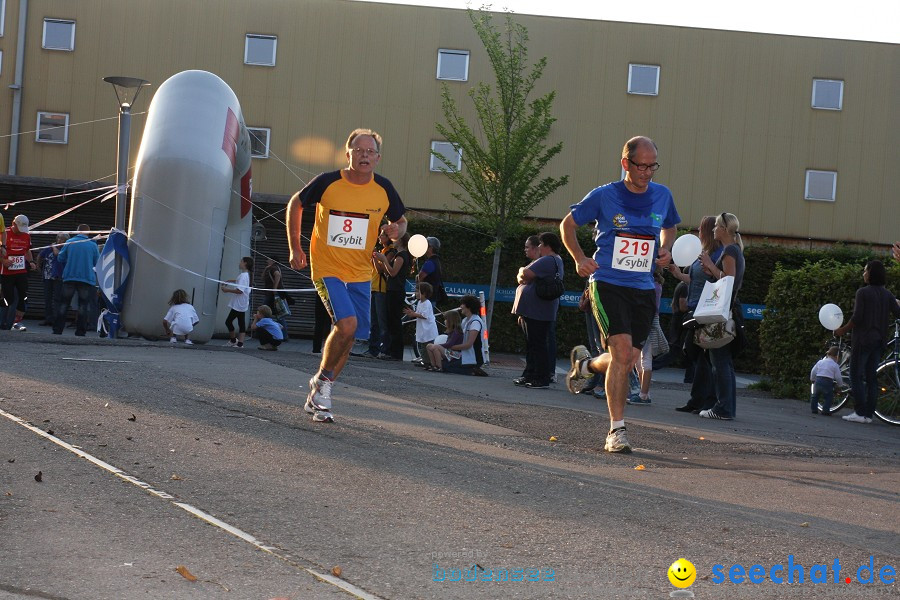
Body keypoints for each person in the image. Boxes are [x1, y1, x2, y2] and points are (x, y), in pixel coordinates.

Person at [561, 136, 680, 453]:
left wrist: (666, 248)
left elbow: (669, 227)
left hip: (643, 287)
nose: (648, 172)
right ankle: (617, 431)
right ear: (626, 163)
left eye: (653, 166)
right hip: (608, 283)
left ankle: (586, 366)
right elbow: (567, 225)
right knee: (623, 351)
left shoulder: (662, 195)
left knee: (624, 360)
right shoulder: (604, 195)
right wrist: (579, 259)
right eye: (642, 166)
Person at [287, 128, 407, 423]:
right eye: (359, 150)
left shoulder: (384, 189)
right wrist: (295, 247)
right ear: (348, 153)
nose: (364, 155)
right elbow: (295, 203)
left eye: (370, 151)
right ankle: (323, 383)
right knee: (347, 323)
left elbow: (401, 221)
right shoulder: (329, 182)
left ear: (377, 158)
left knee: (350, 335)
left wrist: (396, 231)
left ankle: (320, 388)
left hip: (360, 272)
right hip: (327, 267)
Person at [834, 260, 900, 423]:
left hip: (863, 339)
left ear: (871, 274)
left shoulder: (862, 293)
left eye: (865, 271)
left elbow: (857, 318)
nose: (863, 273)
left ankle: (859, 412)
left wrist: (842, 330)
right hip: (879, 341)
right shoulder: (887, 294)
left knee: (855, 375)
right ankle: (868, 415)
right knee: (871, 377)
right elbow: (898, 313)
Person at [696, 212, 746, 421]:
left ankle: (723, 408)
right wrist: (711, 269)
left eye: (716, 226)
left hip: (722, 313)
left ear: (725, 230)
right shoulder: (734, 250)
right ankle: (726, 407)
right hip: (728, 310)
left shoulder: (730, 251)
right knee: (724, 362)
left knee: (720, 362)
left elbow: (729, 281)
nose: (714, 229)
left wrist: (710, 265)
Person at [672, 216, 724, 408]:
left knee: (700, 355)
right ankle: (699, 399)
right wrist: (678, 275)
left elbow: (720, 280)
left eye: (701, 229)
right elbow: (696, 281)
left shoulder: (717, 254)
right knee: (697, 355)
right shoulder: (704, 253)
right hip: (695, 308)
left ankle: (704, 399)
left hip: (706, 310)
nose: (698, 233)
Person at [512, 232, 564, 389]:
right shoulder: (550, 260)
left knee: (537, 344)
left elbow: (524, 274)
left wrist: (522, 269)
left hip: (538, 311)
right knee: (533, 344)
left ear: (547, 246)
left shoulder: (548, 260)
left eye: (540, 244)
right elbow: (523, 277)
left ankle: (541, 377)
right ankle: (530, 374)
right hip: (535, 310)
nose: (538, 247)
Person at [53, 224, 99, 336]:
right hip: (86, 278)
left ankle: (58, 330)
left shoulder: (70, 242)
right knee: (83, 306)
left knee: (64, 304)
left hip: (70, 277)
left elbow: (60, 258)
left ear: (77, 231)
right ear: (88, 232)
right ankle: (80, 331)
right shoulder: (93, 245)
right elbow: (97, 262)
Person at [629, 267, 666, 405]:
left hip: (647, 321)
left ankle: (644, 394)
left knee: (645, 360)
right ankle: (644, 392)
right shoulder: (654, 284)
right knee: (640, 360)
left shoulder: (653, 285)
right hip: (644, 320)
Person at [376, 232, 411, 361]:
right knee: (392, 321)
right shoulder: (399, 255)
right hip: (393, 289)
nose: (393, 240)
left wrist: (384, 260)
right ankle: (393, 351)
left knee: (395, 322)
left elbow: (393, 272)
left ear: (400, 241)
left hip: (396, 290)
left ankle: (396, 352)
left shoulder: (401, 256)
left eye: (395, 239)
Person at [1, 215, 36, 330]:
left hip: (21, 271)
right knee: (7, 298)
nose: (21, 232)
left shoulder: (26, 235)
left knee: (23, 295)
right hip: (5, 272)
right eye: (19, 228)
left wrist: (31, 261)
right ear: (13, 224)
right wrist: (3, 261)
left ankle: (15, 322)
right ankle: (3, 322)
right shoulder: (4, 233)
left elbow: (27, 250)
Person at [443, 294, 487, 376]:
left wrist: (450, 347)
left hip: (474, 357)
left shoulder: (475, 322)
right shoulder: (465, 320)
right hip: (464, 354)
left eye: (462, 304)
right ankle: (471, 369)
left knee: (446, 366)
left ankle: (472, 370)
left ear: (469, 306)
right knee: (443, 363)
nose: (460, 306)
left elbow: (468, 344)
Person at [367, 229, 392, 358]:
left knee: (381, 322)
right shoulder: (381, 251)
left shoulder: (390, 251)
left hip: (382, 289)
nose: (380, 236)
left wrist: (375, 257)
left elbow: (381, 269)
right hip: (374, 287)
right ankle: (373, 349)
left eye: (382, 234)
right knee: (374, 322)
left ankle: (385, 349)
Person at [403, 281, 438, 368]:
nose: (416, 293)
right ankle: (425, 361)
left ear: (424, 293)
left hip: (428, 329)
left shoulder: (427, 303)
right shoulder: (419, 302)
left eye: (418, 291)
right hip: (422, 328)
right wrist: (412, 313)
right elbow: (418, 313)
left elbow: (424, 315)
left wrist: (413, 314)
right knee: (422, 345)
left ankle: (430, 362)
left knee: (428, 346)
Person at [220, 256, 253, 348]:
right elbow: (242, 283)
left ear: (245, 263)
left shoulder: (243, 275)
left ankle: (233, 340)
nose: (239, 263)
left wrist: (227, 290)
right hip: (243, 302)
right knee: (241, 322)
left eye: (241, 261)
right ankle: (240, 344)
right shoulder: (246, 274)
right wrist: (231, 281)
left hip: (239, 303)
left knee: (228, 321)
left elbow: (240, 290)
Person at [38, 233, 68, 326]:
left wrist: (54, 247)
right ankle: (48, 318)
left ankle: (56, 319)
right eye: (59, 238)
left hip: (58, 277)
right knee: (47, 298)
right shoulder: (49, 248)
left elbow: (57, 254)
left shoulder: (65, 248)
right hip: (47, 276)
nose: (60, 241)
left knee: (57, 299)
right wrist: (38, 266)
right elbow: (40, 255)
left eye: (62, 239)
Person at [809, 346, 843, 415]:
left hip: (818, 381)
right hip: (827, 382)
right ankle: (825, 410)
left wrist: (812, 379)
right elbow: (838, 377)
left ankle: (814, 409)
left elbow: (813, 371)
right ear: (837, 357)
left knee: (815, 396)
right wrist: (840, 385)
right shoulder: (835, 365)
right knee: (829, 397)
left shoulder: (820, 362)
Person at [417, 236, 448, 307]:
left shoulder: (430, 263)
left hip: (427, 298)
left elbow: (419, 278)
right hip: (432, 297)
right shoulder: (436, 261)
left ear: (431, 248)